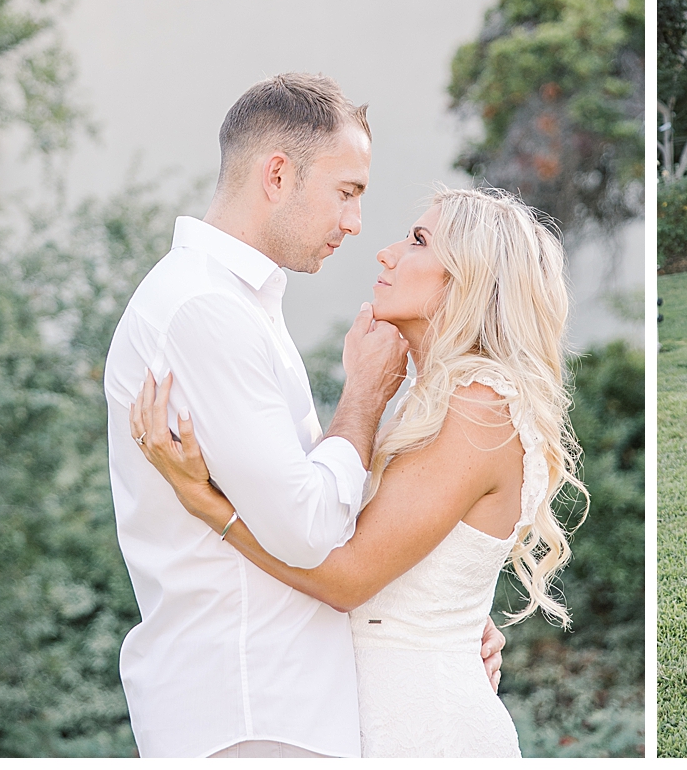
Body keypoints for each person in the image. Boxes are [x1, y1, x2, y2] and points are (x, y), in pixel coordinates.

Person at [105, 74, 504, 757]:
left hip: (281, 705)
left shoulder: (240, 304)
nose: (355, 224)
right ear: (279, 174)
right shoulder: (205, 310)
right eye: (347, 192)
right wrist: (362, 398)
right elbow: (310, 527)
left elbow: (330, 505)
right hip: (251, 711)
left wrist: (443, 612)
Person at [133, 185, 583, 758]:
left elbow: (346, 578)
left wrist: (205, 503)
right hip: (381, 712)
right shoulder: (430, 400)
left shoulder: (479, 404)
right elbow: (341, 527)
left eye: (418, 240)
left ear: (470, 279)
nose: (386, 252)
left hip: (426, 726)